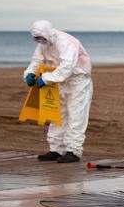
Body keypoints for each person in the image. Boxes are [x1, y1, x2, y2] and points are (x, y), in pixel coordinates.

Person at [23, 20, 93, 163]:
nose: (39, 41)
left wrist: (47, 78)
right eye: (36, 39)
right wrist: (29, 74)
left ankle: (73, 151)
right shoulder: (43, 45)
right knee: (57, 114)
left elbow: (67, 67)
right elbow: (36, 62)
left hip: (77, 81)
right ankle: (56, 149)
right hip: (57, 81)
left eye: (41, 38)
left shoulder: (66, 42)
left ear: (48, 33)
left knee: (76, 115)